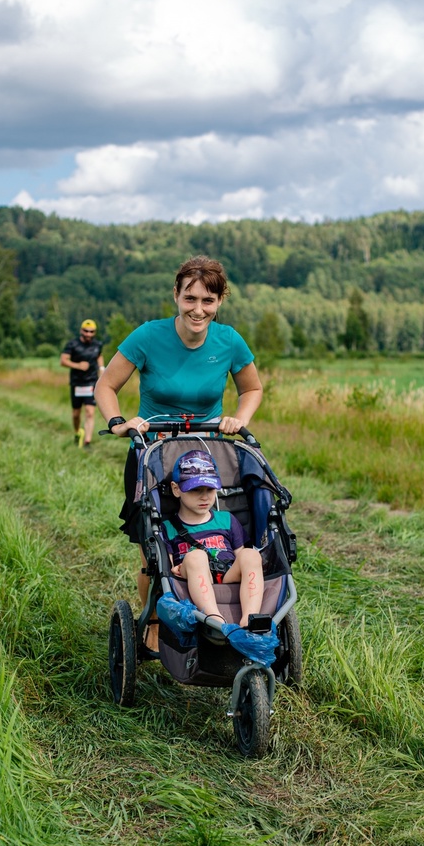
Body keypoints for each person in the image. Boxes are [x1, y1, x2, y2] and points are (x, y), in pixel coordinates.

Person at [95, 254, 263, 632]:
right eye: (190, 298)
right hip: (152, 456)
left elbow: (251, 388)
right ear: (176, 295)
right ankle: (153, 622)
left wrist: (240, 419)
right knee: (152, 554)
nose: (198, 309)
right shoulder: (149, 336)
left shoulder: (229, 341)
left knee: (213, 539)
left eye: (208, 300)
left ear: (220, 302)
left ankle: (222, 615)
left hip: (206, 459)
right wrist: (118, 422)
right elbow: (106, 386)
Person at [163, 450, 264, 627]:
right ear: (176, 489)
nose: (204, 497)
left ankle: (250, 618)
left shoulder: (226, 520)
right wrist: (177, 567)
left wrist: (248, 561)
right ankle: (213, 617)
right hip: (194, 574)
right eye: (195, 490)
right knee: (196, 557)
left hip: (228, 574)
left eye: (210, 490)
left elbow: (240, 556)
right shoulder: (168, 527)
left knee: (251, 555)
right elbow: (169, 568)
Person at [60, 319, 105, 448]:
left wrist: (101, 368)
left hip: (91, 382)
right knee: (76, 414)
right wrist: (77, 365)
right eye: (86, 331)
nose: (88, 334)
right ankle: (77, 432)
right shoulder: (72, 344)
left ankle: (87, 442)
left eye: (91, 332)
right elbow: (63, 361)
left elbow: (99, 356)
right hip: (77, 383)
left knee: (90, 412)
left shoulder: (97, 345)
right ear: (81, 331)